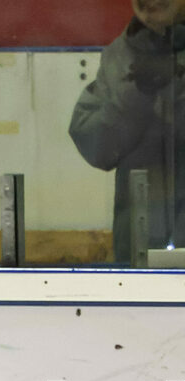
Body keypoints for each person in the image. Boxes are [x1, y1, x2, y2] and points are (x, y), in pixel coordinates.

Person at [69, 0, 185, 263]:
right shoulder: (120, 55)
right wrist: (135, 96)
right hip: (139, 248)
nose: (150, 5)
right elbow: (99, 149)